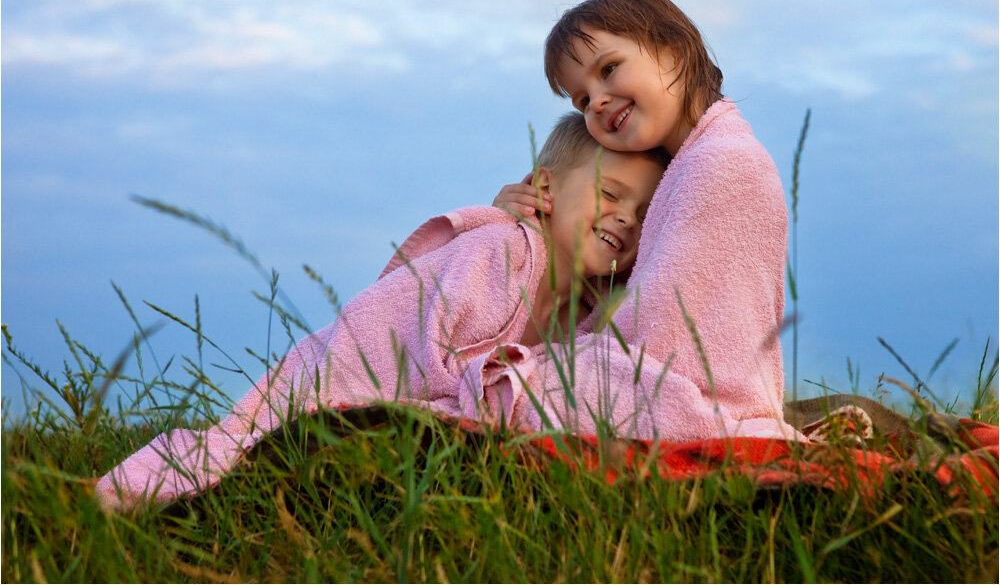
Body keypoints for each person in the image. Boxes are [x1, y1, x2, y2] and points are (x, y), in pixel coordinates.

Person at [95, 113, 667, 509]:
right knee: (236, 451)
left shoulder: (592, 311)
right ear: (543, 187)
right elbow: (399, 332)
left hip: (414, 437)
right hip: (340, 381)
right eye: (611, 194)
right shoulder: (501, 252)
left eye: (645, 214)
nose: (626, 218)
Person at [494, 0, 800, 442]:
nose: (595, 101)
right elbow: (625, 297)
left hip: (692, 397)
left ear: (673, 50)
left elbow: (665, 346)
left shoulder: (722, 164)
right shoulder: (681, 168)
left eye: (609, 68)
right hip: (660, 384)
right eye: (581, 100)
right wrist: (524, 227)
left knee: (503, 385)